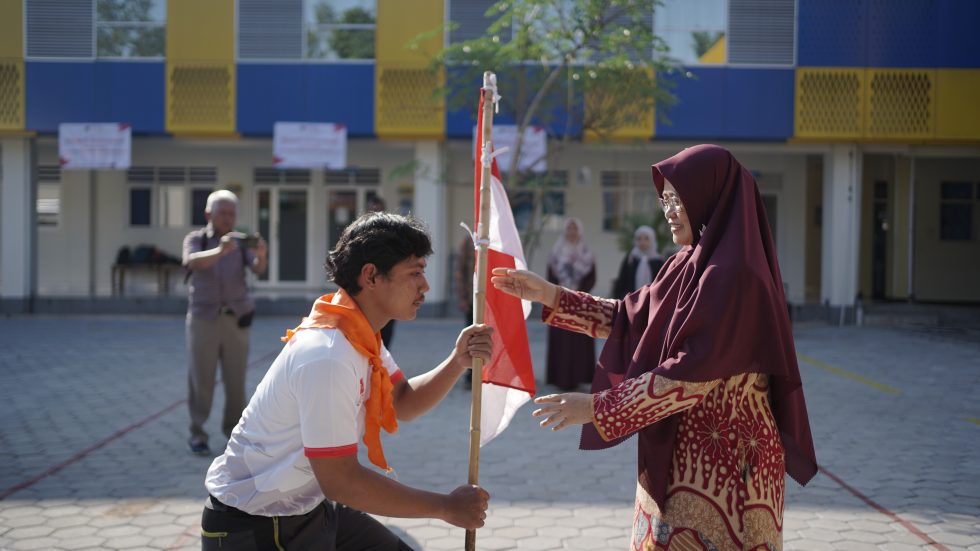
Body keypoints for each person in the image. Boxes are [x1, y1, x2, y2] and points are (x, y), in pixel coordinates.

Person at [491, 145, 817, 550]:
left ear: (709, 196)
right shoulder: (687, 263)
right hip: (682, 451)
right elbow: (632, 320)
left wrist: (598, 408)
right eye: (664, 199)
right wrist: (552, 295)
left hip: (729, 464)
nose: (668, 210)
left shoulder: (737, 276)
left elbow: (693, 374)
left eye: (677, 199)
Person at [202, 211, 492, 550]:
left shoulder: (359, 333)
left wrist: (457, 361)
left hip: (307, 508)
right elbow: (341, 481)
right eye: (415, 273)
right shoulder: (327, 354)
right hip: (256, 526)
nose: (425, 286)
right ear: (370, 275)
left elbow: (402, 402)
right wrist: (444, 507)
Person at [183, 190, 268, 456]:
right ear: (208, 214)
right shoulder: (196, 239)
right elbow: (191, 262)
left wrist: (261, 255)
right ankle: (198, 433)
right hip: (203, 319)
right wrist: (220, 251)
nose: (228, 218)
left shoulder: (239, 243)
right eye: (223, 213)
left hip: (235, 321)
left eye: (232, 213)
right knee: (201, 379)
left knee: (236, 381)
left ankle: (234, 436)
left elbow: (256, 269)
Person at [545, 218, 597, 390]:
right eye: (569, 228)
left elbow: (591, 277)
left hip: (581, 305)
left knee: (578, 340)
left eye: (575, 228)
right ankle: (560, 379)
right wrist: (559, 294)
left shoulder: (587, 253)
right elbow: (550, 278)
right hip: (559, 303)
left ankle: (579, 377)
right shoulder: (556, 252)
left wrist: (578, 294)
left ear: (580, 231)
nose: (572, 231)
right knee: (562, 342)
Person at [367, 195, 396, 348]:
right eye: (372, 210)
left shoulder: (392, 235)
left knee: (385, 337)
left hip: (389, 293)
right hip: (369, 294)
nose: (376, 213)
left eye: (378, 209)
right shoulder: (361, 235)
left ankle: (383, 366)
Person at [612, 225, 665, 299]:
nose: (642, 242)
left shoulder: (658, 261)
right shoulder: (631, 258)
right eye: (639, 239)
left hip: (652, 303)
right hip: (630, 302)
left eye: (646, 238)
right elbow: (622, 282)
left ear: (652, 240)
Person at [455, 234, 476, 388]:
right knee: (472, 337)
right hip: (472, 297)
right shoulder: (469, 240)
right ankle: (471, 376)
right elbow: (460, 269)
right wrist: (462, 296)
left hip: (492, 300)